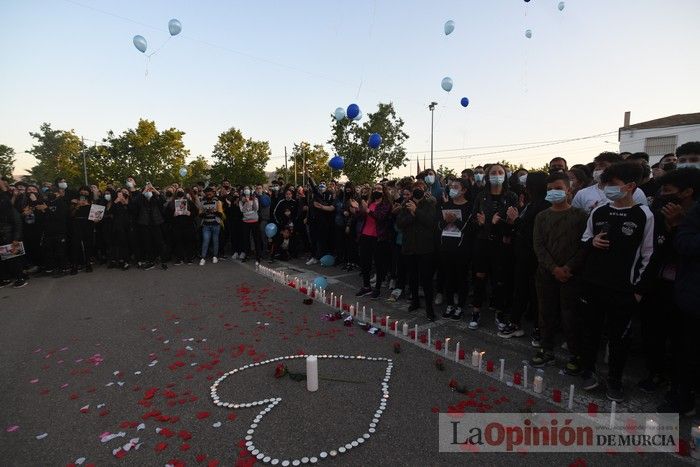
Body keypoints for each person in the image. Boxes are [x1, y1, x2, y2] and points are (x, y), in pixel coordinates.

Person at [578, 162, 654, 402]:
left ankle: (615, 380)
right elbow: (584, 240)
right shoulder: (599, 211)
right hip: (593, 285)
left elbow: (649, 255)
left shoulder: (644, 215)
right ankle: (588, 371)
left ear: (630, 186)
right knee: (590, 332)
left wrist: (639, 290)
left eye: (613, 185)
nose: (607, 189)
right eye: (605, 185)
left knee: (619, 338)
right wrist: (592, 243)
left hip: (623, 290)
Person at [636, 168, 700, 394]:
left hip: (688, 291)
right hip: (658, 285)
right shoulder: (658, 214)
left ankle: (682, 384)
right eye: (662, 190)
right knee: (653, 333)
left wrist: (679, 228)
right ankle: (656, 373)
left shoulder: (692, 220)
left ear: (688, 193)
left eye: (669, 190)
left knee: (683, 341)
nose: (663, 195)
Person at [526, 173, 588, 373]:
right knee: (546, 313)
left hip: (572, 275)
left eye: (559, 188)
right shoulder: (542, 216)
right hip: (546, 274)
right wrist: (553, 268)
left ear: (569, 190)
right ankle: (546, 350)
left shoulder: (580, 215)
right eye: (550, 189)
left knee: (571, 315)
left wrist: (568, 268)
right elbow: (539, 246)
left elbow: (583, 247)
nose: (554, 192)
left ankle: (575, 354)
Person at [499, 172, 550, 338]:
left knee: (536, 294)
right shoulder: (530, 203)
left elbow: (535, 232)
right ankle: (515, 323)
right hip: (522, 255)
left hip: (534, 256)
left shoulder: (544, 205)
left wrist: (516, 220)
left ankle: (538, 327)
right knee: (520, 291)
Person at [661, 200, 700, 414]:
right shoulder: (697, 211)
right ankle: (683, 397)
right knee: (687, 350)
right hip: (693, 296)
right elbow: (684, 242)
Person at [469, 163, 519, 331]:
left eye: (500, 172)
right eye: (493, 172)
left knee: (500, 280)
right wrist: (482, 223)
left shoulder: (511, 196)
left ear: (505, 175)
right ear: (488, 176)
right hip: (482, 242)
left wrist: (508, 222)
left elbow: (513, 226)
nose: (497, 174)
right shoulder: (481, 196)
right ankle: (476, 311)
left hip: (501, 245)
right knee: (479, 277)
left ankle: (499, 313)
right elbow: (474, 221)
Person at [396, 181, 437, 320]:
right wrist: (411, 214)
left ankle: (429, 308)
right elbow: (400, 223)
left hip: (425, 248)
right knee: (412, 277)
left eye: (420, 188)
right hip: (409, 247)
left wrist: (416, 211)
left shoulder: (430, 204)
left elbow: (430, 222)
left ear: (424, 189)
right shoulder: (406, 204)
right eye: (415, 188)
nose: (418, 190)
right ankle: (415, 301)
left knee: (426, 279)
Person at [438, 179, 472, 320]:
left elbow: (470, 229)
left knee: (461, 278)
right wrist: (446, 221)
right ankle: (450, 304)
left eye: (456, 187)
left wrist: (456, 221)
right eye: (451, 187)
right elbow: (439, 226)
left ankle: (460, 306)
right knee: (448, 277)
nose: (452, 189)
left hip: (462, 249)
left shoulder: (470, 207)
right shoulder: (446, 205)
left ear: (463, 190)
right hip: (446, 247)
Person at [572, 152, 648, 214]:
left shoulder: (634, 192)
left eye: (602, 165)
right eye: (596, 165)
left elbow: (642, 216)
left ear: (616, 167)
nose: (597, 168)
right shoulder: (582, 193)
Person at [355, 184, 392, 299]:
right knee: (364, 262)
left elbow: (380, 217)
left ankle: (377, 288)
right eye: (375, 189)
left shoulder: (386, 204)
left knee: (378, 263)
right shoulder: (370, 203)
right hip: (365, 235)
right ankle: (366, 286)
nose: (377, 191)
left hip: (378, 237)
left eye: (379, 189)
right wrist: (358, 210)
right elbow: (362, 217)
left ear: (384, 191)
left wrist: (367, 210)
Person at [132, 183, 168, 270]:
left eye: (149, 190)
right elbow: (134, 202)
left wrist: (153, 189)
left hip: (156, 224)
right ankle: (151, 261)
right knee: (148, 243)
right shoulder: (141, 199)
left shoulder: (155, 198)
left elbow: (163, 199)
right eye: (147, 190)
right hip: (144, 224)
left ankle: (163, 261)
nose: (148, 191)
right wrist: (143, 192)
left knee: (160, 243)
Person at [0, 178, 28, 288]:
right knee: (5, 259)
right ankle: (5, 278)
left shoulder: (9, 208)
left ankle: (19, 277)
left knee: (13, 258)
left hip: (9, 235)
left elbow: (17, 223)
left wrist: (16, 238)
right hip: (4, 235)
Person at [69, 185, 96, 274]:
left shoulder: (92, 202)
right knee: (75, 245)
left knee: (88, 244)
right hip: (77, 223)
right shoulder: (74, 201)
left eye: (86, 191)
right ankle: (75, 265)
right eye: (82, 191)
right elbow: (70, 214)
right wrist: (77, 206)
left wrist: (96, 218)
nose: (84, 193)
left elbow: (95, 216)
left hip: (88, 224)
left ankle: (88, 264)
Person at [105, 189, 132, 270]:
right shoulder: (115, 203)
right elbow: (109, 212)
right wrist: (116, 202)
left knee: (124, 244)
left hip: (125, 226)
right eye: (118, 194)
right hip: (115, 226)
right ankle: (115, 261)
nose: (120, 196)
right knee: (114, 244)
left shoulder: (127, 202)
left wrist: (125, 203)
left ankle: (125, 262)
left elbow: (131, 211)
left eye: (121, 194)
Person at [198, 187, 224, 265]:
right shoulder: (202, 202)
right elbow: (200, 215)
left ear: (213, 193)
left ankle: (215, 256)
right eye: (207, 192)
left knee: (215, 241)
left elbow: (221, 214)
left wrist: (214, 211)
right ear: (205, 193)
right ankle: (203, 258)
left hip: (216, 224)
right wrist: (206, 212)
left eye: (210, 192)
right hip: (206, 225)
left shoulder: (218, 202)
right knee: (206, 241)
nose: (208, 194)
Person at [239, 186, 261, 262]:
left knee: (256, 239)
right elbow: (242, 210)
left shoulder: (255, 199)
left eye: (248, 189)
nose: (247, 190)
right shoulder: (241, 201)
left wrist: (253, 200)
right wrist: (246, 202)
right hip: (246, 222)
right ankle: (246, 255)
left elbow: (256, 208)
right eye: (245, 189)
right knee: (246, 239)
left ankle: (258, 256)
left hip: (254, 221)